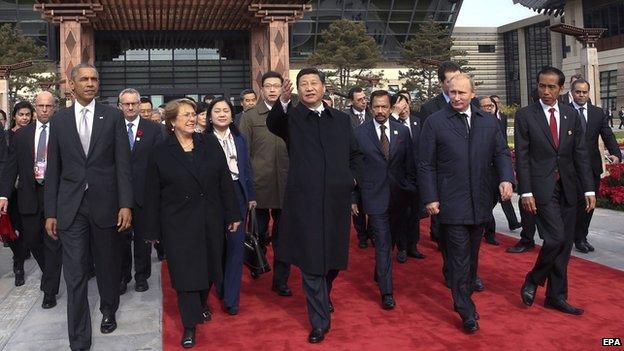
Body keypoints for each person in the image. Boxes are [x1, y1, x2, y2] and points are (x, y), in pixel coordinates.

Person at [267, 68, 362, 343]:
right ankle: (319, 321)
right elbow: (275, 123)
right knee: (311, 261)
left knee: (333, 259)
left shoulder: (342, 120)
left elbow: (355, 154)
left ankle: (324, 293)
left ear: (323, 87)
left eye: (313, 83)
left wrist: (351, 180)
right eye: (303, 84)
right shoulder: (292, 118)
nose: (308, 88)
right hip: (304, 201)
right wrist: (282, 102)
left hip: (336, 200)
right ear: (297, 90)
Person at [44, 63, 133, 350]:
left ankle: (109, 308)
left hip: (106, 203)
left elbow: (123, 165)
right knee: (74, 273)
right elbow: (53, 170)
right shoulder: (59, 121)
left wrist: (125, 204)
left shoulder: (113, 117)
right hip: (71, 207)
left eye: (95, 79)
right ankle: (79, 338)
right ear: (72, 85)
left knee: (107, 264)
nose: (91, 83)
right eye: (84, 79)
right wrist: (51, 212)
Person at [419, 73, 514, 333]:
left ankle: (464, 290)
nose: (457, 97)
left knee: (471, 255)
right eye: (453, 93)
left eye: (462, 93)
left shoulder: (488, 122)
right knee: (460, 257)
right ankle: (465, 309)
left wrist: (506, 178)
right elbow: (425, 164)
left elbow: (501, 153)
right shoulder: (435, 122)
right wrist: (430, 197)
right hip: (451, 202)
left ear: (473, 94)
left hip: (481, 200)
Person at [143, 98, 241, 348]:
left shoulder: (209, 143)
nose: (191, 118)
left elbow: (224, 181)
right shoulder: (160, 152)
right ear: (172, 121)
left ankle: (201, 302)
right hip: (178, 223)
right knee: (185, 274)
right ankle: (189, 325)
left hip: (210, 218)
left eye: (193, 114)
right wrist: (152, 229)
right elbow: (152, 193)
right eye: (185, 115)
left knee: (209, 267)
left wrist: (232, 214)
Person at [516, 66, 595, 316]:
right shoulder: (525, 115)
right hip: (542, 188)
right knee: (555, 239)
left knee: (564, 246)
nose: (546, 91)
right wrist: (526, 192)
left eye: (551, 87)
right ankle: (533, 278)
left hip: (569, 188)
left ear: (561, 89)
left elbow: (581, 155)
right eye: (542, 86)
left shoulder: (571, 116)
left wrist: (589, 189)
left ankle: (556, 296)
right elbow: (522, 156)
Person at [352, 90, 416, 309]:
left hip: (399, 198)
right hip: (373, 196)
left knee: (391, 241)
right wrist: (354, 197)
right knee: (381, 241)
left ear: (391, 108)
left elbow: (410, 165)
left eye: (384, 107)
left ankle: (380, 270)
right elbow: (354, 168)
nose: (380, 111)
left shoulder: (402, 131)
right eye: (376, 107)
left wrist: (410, 189)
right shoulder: (360, 133)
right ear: (371, 108)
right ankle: (387, 292)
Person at [0, 93, 62, 307]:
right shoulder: (21, 135)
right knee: (33, 241)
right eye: (41, 106)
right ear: (36, 107)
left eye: (49, 106)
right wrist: (4, 194)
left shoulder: (62, 132)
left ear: (54, 107)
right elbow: (11, 166)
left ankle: (49, 289)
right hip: (29, 195)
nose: (45, 110)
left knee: (53, 242)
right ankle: (50, 273)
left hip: (55, 196)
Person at [238, 71, 291, 296]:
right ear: (261, 89)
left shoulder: (292, 113)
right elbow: (243, 154)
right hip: (260, 185)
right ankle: (257, 262)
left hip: (287, 184)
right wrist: (247, 188)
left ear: (282, 88)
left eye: (276, 86)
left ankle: (280, 280)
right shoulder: (250, 116)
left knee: (284, 236)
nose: (272, 89)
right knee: (258, 232)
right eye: (267, 86)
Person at [206, 97, 256, 315]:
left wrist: (250, 195)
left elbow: (246, 169)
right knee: (217, 245)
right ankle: (220, 285)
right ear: (210, 116)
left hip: (237, 194)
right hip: (213, 197)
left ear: (232, 114)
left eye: (226, 110)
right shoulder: (202, 140)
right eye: (217, 111)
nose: (222, 114)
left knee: (236, 246)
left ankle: (231, 298)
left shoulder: (240, 139)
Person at [118, 88, 165, 294]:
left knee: (143, 240)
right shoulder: (112, 127)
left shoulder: (153, 129)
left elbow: (158, 163)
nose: (130, 107)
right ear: (120, 106)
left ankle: (141, 276)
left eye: (133, 103)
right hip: (119, 194)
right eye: (126, 104)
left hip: (145, 194)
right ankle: (123, 276)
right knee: (120, 239)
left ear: (140, 105)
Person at [569, 78, 622, 253]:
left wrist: (615, 153)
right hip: (569, 167)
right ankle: (568, 236)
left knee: (589, 203)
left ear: (588, 93)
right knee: (571, 203)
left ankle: (581, 237)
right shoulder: (564, 111)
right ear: (572, 92)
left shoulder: (597, 113)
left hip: (591, 166)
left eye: (584, 92)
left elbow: (607, 134)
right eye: (578, 92)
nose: (581, 95)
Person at [479, 96, 521, 246]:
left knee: (499, 199)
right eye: (485, 106)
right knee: (487, 202)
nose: (489, 108)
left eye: (491, 106)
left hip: (496, 170)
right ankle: (486, 230)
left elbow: (502, 149)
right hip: (482, 171)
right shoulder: (475, 124)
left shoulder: (497, 121)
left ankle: (492, 229)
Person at [3, 101, 34, 287]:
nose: (24, 118)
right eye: (21, 114)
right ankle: (18, 259)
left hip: (28, 189)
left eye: (27, 115)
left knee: (25, 229)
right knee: (10, 230)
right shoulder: (7, 137)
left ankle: (21, 261)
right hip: (9, 191)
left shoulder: (35, 135)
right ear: (14, 116)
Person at [391, 91, 425, 261]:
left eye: (406, 104)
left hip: (417, 176)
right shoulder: (392, 123)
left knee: (415, 214)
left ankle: (413, 245)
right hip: (400, 177)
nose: (404, 108)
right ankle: (402, 247)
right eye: (399, 105)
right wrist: (395, 114)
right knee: (402, 214)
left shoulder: (417, 122)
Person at [345, 87, 373, 248]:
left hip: (372, 165)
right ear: (351, 101)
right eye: (360, 99)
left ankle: (372, 232)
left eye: (364, 98)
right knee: (357, 204)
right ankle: (362, 234)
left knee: (373, 203)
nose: (364, 101)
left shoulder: (372, 115)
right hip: (354, 165)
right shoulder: (345, 118)